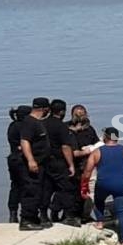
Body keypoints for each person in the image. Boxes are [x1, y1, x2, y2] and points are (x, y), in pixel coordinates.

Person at [80, 127, 123, 245]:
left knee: (98, 200)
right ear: (117, 138)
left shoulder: (97, 152)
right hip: (121, 184)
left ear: (105, 137)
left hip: (103, 183)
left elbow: (87, 171)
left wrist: (84, 186)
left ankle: (100, 222)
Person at [42, 99, 77, 226]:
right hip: (58, 161)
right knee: (66, 188)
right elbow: (65, 147)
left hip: (45, 161)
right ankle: (68, 216)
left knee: (47, 188)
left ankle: (43, 216)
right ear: (62, 111)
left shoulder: (42, 123)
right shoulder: (61, 126)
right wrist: (71, 164)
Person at [19, 97, 52, 231]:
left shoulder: (37, 122)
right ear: (44, 109)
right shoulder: (30, 122)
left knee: (38, 191)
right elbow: (25, 141)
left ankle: (34, 217)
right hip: (34, 163)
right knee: (31, 190)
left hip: (41, 163)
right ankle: (26, 220)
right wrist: (31, 160)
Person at [68, 104, 99, 221]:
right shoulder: (67, 128)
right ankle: (71, 214)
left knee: (90, 191)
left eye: (82, 113)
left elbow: (96, 144)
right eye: (78, 114)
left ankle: (85, 215)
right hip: (72, 163)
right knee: (73, 191)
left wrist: (93, 149)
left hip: (88, 164)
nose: (80, 116)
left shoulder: (89, 129)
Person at [6, 105, 32, 223]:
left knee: (15, 186)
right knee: (27, 186)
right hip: (23, 159)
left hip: (13, 159)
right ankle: (25, 214)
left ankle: (13, 214)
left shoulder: (12, 126)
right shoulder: (25, 127)